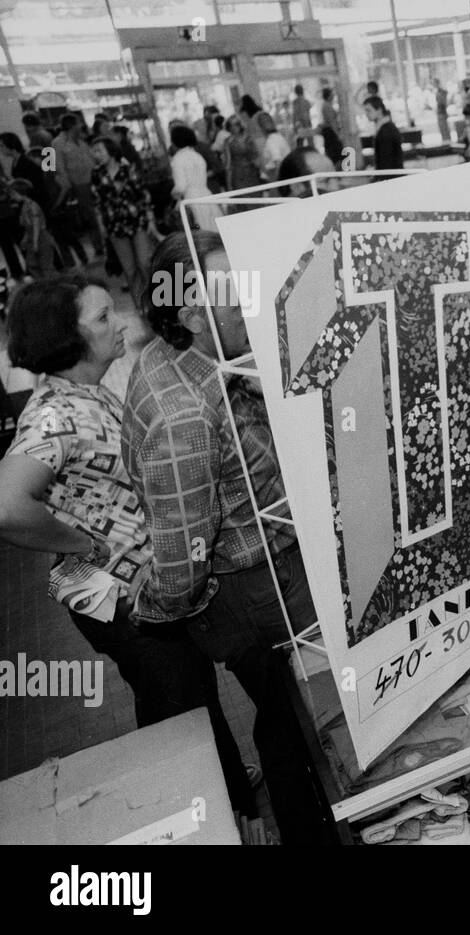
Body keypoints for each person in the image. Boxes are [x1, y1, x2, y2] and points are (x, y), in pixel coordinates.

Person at [0, 274, 255, 819]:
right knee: (182, 702)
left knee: (175, 699)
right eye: (100, 318)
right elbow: (5, 506)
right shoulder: (52, 415)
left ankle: (219, 788)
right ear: (63, 337)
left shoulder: (83, 393)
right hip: (120, 601)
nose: (120, 323)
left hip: (133, 588)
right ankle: (210, 809)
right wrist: (82, 542)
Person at [122, 231, 334, 844]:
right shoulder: (183, 414)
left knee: (286, 718)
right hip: (258, 589)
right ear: (191, 313)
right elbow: (184, 557)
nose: (255, 302)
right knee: (300, 723)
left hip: (260, 575)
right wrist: (168, 609)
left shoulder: (185, 358)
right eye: (236, 295)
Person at [89, 135, 157, 298]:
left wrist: (151, 221)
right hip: (115, 226)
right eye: (95, 151)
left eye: (99, 150)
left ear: (111, 151)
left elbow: (143, 196)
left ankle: (155, 301)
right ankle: (139, 305)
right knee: (129, 270)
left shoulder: (129, 170)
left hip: (137, 221)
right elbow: (98, 203)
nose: (96, 154)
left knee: (144, 264)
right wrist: (101, 228)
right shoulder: (96, 174)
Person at [52, 113, 104, 259]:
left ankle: (103, 243)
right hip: (79, 184)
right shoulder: (57, 143)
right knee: (90, 216)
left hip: (94, 180)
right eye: (78, 123)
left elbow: (90, 157)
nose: (81, 126)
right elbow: (58, 167)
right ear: (72, 126)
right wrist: (66, 186)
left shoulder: (81, 141)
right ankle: (98, 246)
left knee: (98, 213)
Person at [169, 125, 221, 233]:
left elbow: (181, 186)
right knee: (214, 230)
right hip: (206, 195)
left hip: (191, 198)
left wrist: (173, 193)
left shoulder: (177, 159)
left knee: (200, 232)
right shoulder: (197, 156)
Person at [223, 115, 262, 193]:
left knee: (256, 197)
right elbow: (228, 164)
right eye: (231, 125)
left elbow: (256, 157)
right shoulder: (228, 141)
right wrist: (229, 184)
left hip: (252, 173)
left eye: (236, 124)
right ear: (228, 127)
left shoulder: (249, 138)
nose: (234, 128)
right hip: (237, 175)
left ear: (240, 125)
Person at [363, 96, 403, 170]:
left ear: (379, 110)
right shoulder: (384, 128)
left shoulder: (386, 131)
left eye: (369, 110)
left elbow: (387, 162)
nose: (366, 114)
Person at [254, 111, 291, 182]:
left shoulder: (272, 141)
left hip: (278, 177)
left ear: (260, 127)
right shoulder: (277, 137)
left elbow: (278, 163)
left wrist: (279, 183)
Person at [319, 87, 344, 166]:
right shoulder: (327, 106)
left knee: (335, 154)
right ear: (329, 96)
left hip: (330, 131)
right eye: (332, 94)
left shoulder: (327, 105)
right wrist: (337, 134)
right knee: (335, 154)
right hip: (331, 132)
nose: (333, 96)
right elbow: (332, 121)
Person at [432, 77, 452, 141]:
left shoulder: (442, 91)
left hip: (442, 112)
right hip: (440, 112)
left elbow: (443, 102)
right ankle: (446, 141)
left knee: (444, 129)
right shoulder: (437, 91)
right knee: (442, 130)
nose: (433, 84)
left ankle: (447, 142)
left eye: (434, 83)